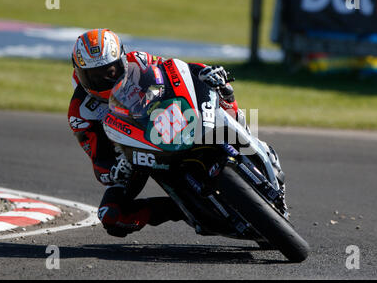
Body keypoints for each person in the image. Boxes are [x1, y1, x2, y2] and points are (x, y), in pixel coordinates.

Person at [68, 28, 249, 238]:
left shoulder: (138, 61)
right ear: (79, 73)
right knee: (111, 216)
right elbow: (98, 159)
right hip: (135, 154)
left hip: (170, 117)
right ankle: (182, 209)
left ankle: (244, 136)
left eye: (110, 71)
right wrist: (114, 169)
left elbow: (176, 70)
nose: (105, 79)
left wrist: (204, 72)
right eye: (94, 75)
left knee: (219, 88)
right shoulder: (80, 112)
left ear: (121, 60)